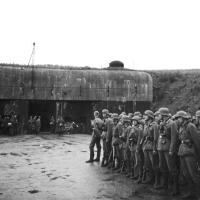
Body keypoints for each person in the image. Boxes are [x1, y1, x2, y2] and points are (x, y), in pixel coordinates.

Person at [176, 110, 200, 199]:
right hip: (182, 152)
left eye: (179, 118)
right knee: (186, 174)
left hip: (190, 153)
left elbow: (196, 141)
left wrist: (198, 155)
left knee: (193, 174)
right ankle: (191, 192)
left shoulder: (191, 126)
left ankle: (198, 194)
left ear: (183, 118)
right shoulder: (182, 126)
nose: (178, 119)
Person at [156, 107, 180, 196]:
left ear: (163, 115)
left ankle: (175, 188)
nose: (158, 116)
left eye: (159, 114)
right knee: (162, 167)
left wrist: (171, 149)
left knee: (172, 168)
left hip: (168, 148)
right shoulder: (161, 123)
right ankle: (165, 185)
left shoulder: (172, 123)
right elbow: (160, 135)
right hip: (161, 147)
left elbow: (174, 138)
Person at [141, 110, 159, 188]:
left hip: (152, 146)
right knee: (147, 164)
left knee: (154, 164)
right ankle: (150, 179)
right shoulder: (146, 125)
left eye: (145, 115)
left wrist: (155, 148)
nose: (144, 116)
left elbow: (156, 138)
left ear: (149, 117)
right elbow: (144, 136)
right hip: (146, 146)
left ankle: (157, 181)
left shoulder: (155, 125)